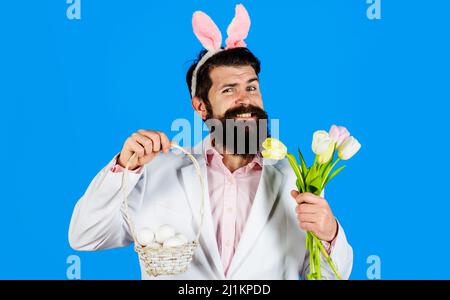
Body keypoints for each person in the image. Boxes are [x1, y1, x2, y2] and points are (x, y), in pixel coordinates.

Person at [68, 4, 353, 280]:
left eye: (251, 87)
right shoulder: (155, 171)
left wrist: (330, 234)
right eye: (229, 90)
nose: (246, 100)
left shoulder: (295, 178)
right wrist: (123, 168)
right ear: (201, 107)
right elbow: (85, 235)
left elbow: (330, 277)